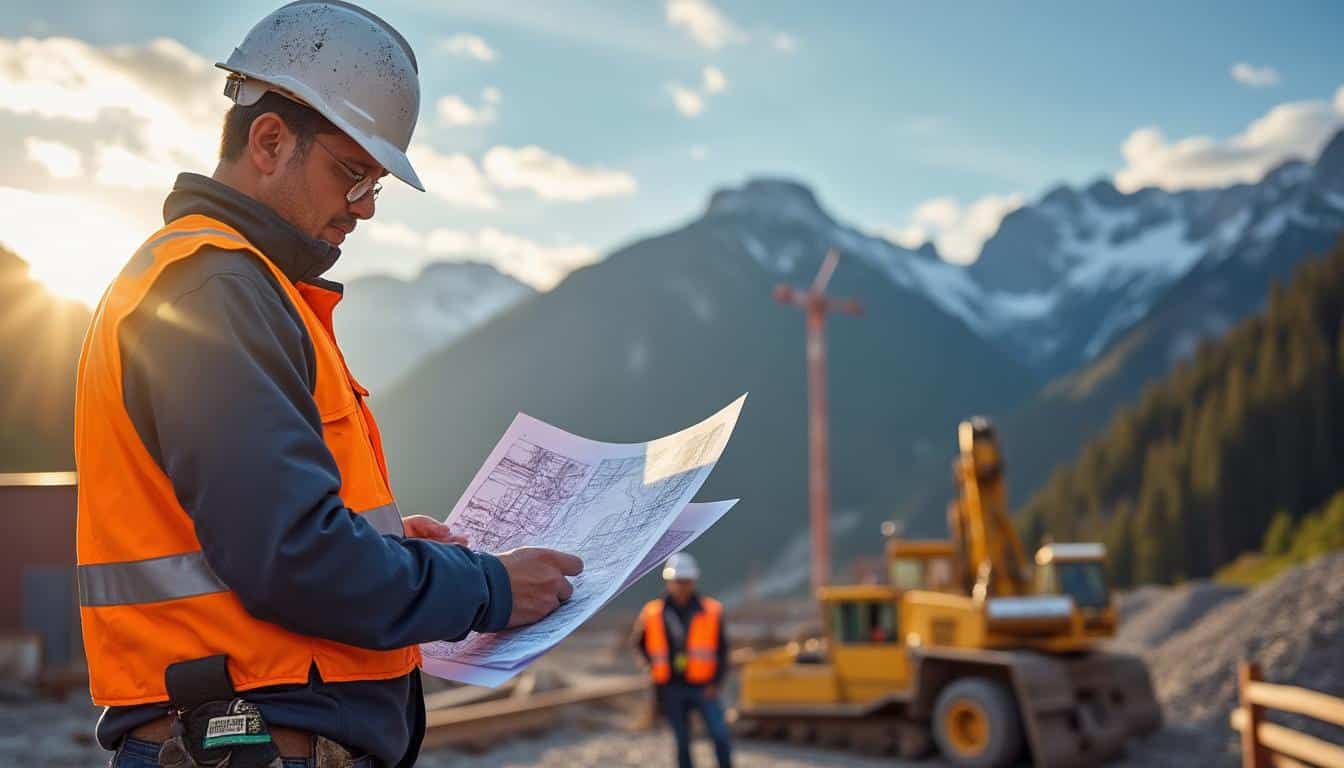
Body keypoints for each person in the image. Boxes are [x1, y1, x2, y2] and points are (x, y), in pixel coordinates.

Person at [73, 3, 581, 766]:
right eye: (353, 172)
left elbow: (260, 534)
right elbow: (293, 557)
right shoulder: (212, 293)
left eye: (374, 182)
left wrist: (383, 548)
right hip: (245, 741)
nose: (366, 208)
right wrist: (490, 588)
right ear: (270, 141)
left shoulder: (244, 291)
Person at [633, 552, 733, 768]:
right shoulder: (652, 612)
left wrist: (716, 683)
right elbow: (639, 644)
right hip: (671, 688)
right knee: (682, 740)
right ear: (669, 581)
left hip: (704, 687)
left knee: (719, 734)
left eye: (686, 581)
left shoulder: (712, 610)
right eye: (678, 581)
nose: (682, 586)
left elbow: (723, 651)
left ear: (693, 581)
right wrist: (650, 669)